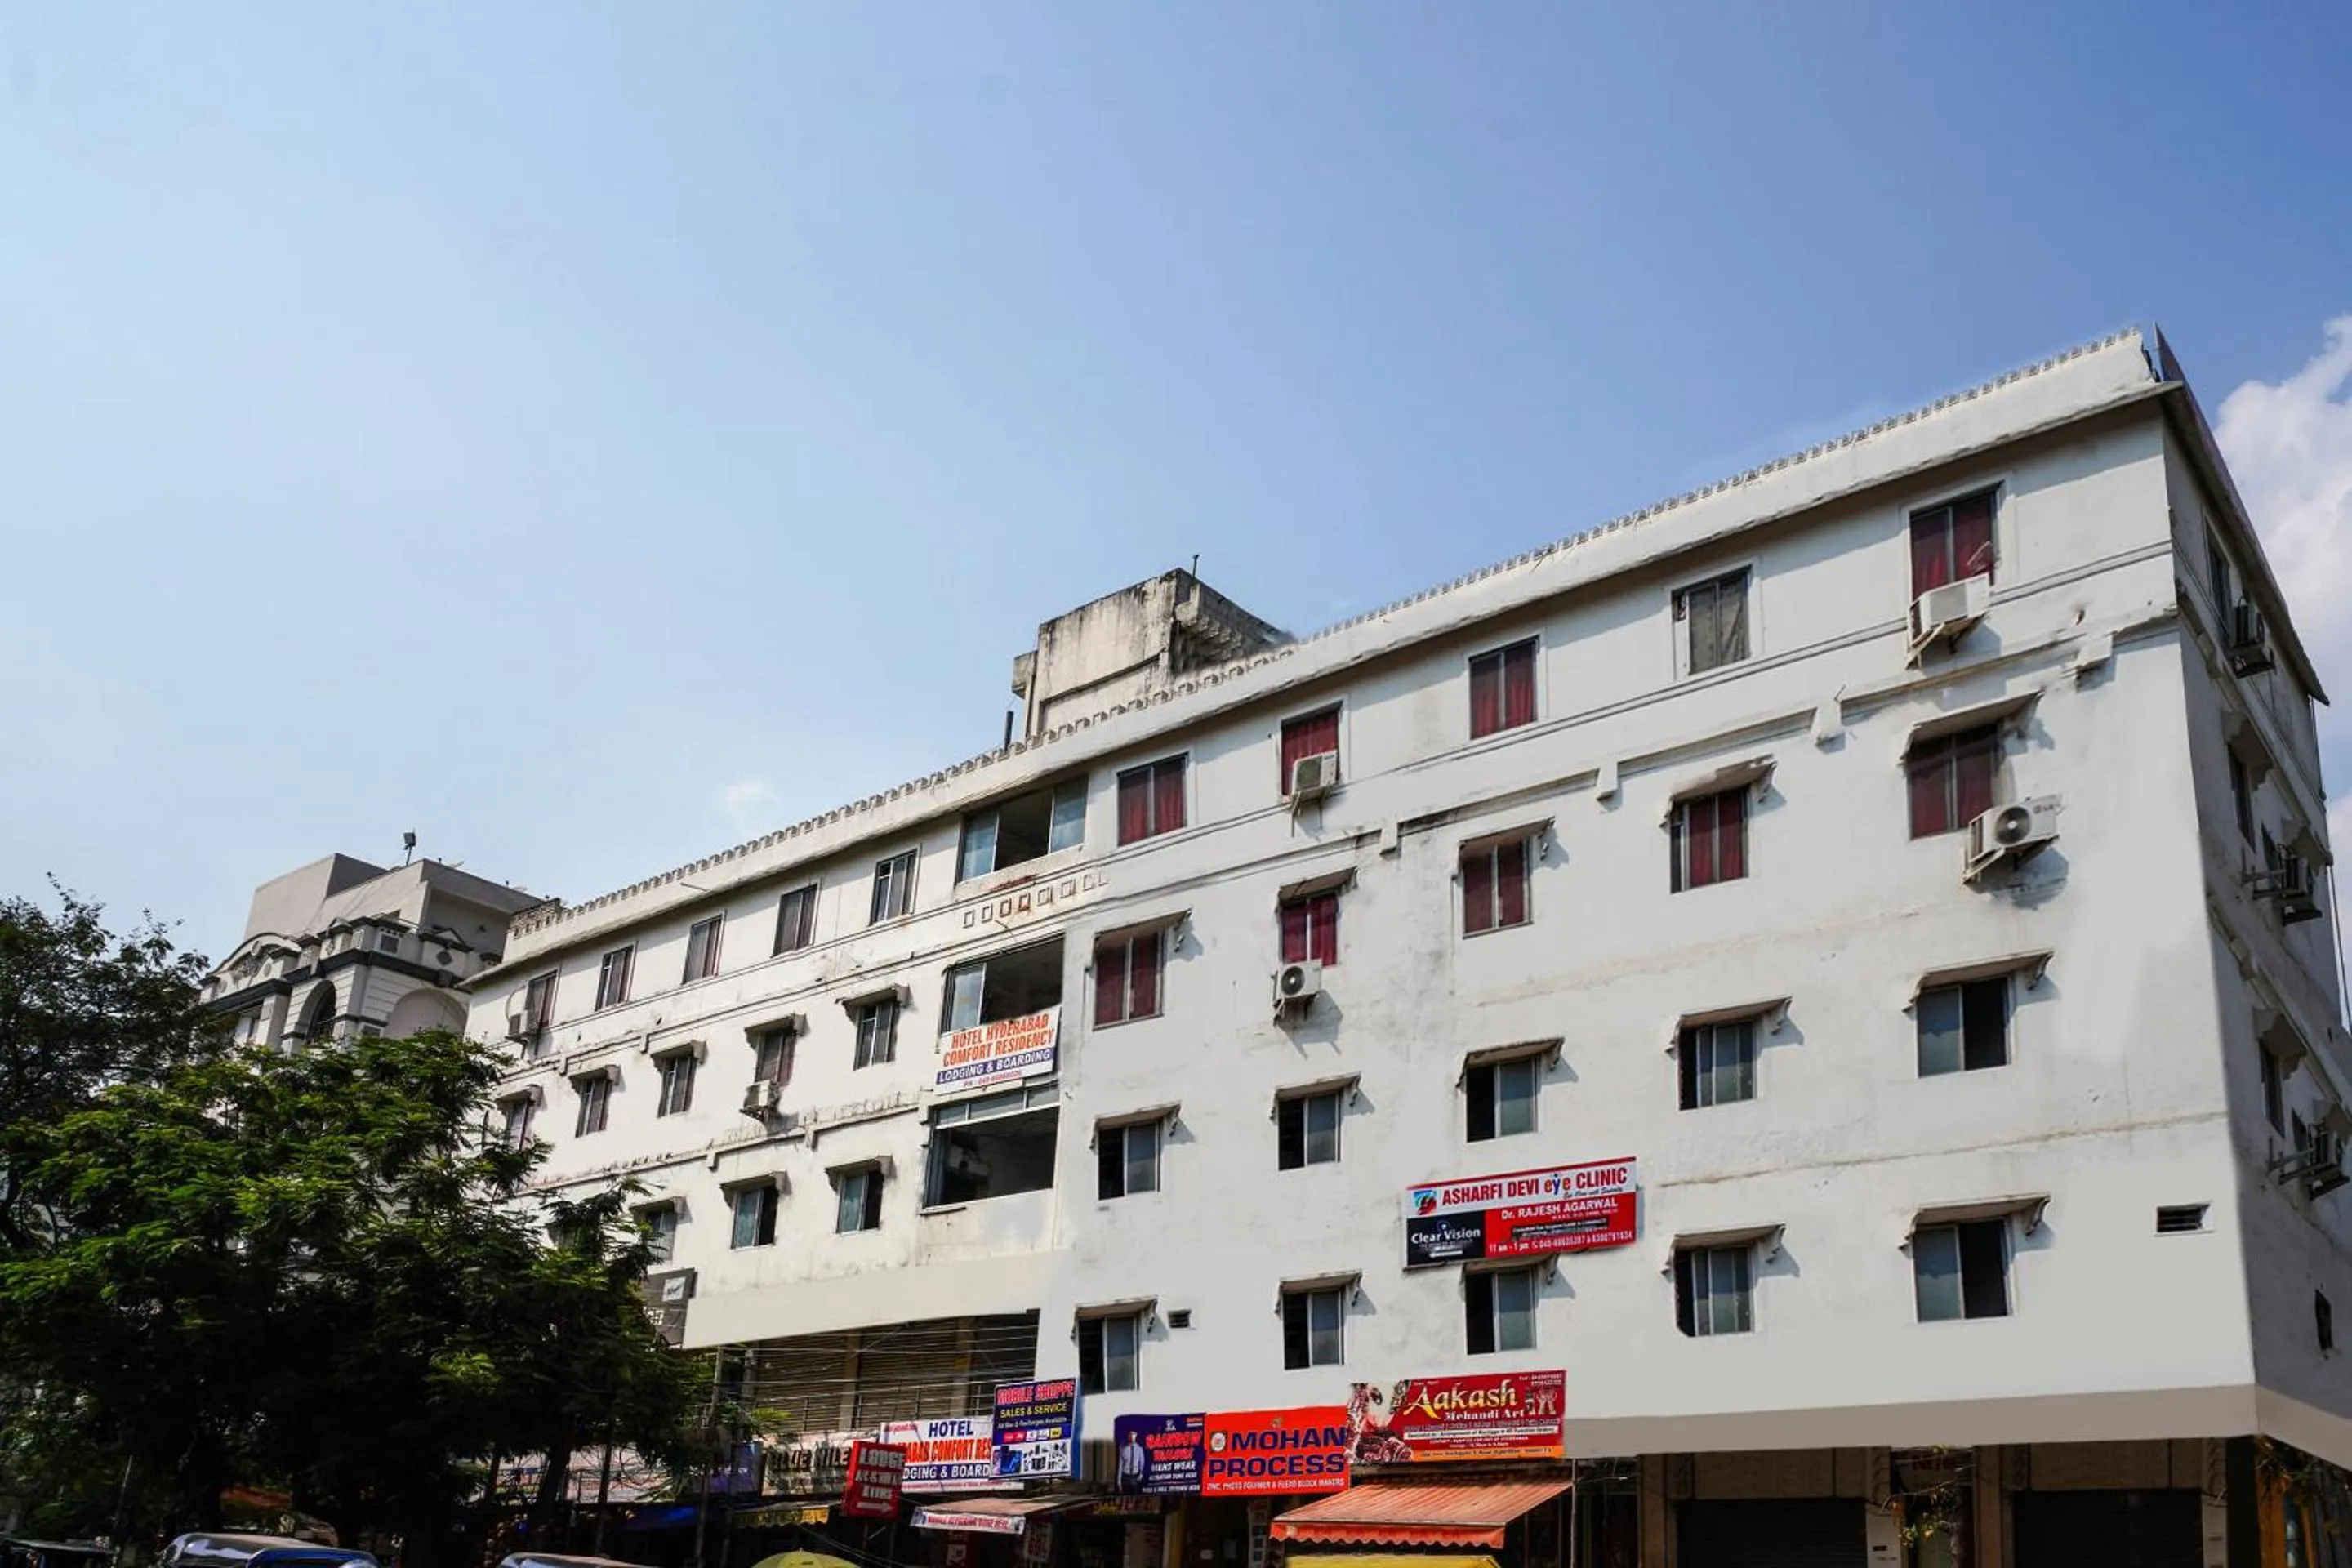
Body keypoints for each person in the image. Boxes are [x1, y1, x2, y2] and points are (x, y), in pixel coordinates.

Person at [1116, 1429, 1149, 1493]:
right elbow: (1120, 1465)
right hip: (1126, 1477)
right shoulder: (1123, 1448)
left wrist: (1140, 1476)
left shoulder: (1139, 1449)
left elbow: (1142, 1463)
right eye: (1130, 1434)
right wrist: (1119, 1482)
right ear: (1128, 1436)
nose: (1132, 1436)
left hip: (1136, 1477)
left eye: (1133, 1434)